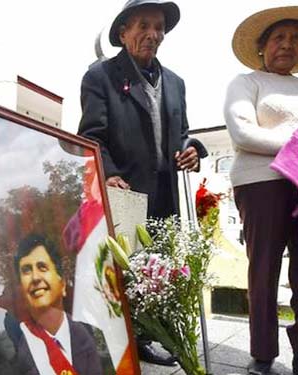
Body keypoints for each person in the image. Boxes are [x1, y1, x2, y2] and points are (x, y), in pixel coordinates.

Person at [78, 0, 207, 365]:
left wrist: (191, 150)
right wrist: (109, 173)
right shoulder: (100, 76)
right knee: (123, 270)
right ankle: (121, 342)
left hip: (165, 196)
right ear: (123, 33)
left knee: (157, 271)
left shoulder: (176, 83)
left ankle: (149, 337)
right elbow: (91, 137)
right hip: (125, 193)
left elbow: (181, 134)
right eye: (144, 26)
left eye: (159, 27)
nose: (153, 34)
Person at [224, 6, 298, 375]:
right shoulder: (247, 82)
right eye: (279, 37)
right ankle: (262, 353)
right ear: (263, 46)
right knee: (264, 269)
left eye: (296, 39)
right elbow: (243, 133)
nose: (287, 44)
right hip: (262, 183)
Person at [13, 234, 112, 375]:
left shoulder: (84, 332)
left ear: (63, 285)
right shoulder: (25, 349)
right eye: (27, 270)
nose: (35, 277)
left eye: (42, 267)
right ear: (23, 292)